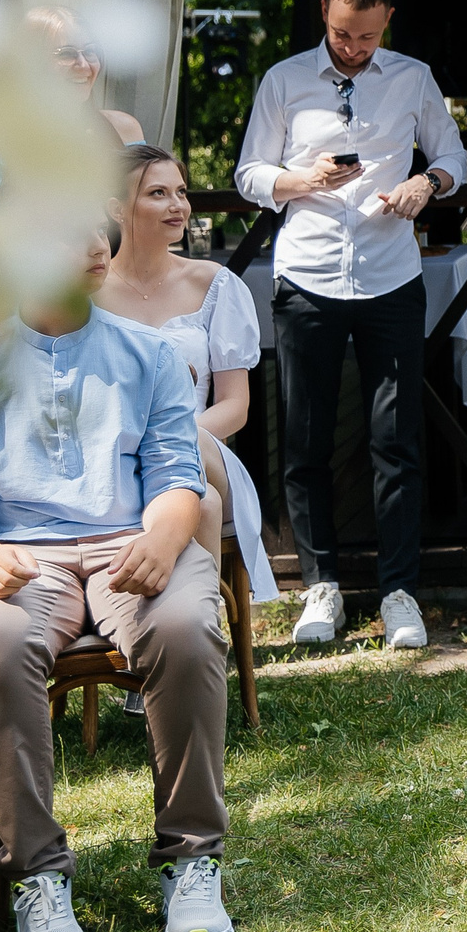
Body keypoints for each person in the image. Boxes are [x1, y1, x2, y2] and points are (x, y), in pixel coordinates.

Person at [0, 226, 231, 932]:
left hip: (135, 540)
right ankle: (37, 879)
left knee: (187, 626)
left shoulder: (153, 354)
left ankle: (192, 862)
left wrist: (163, 538)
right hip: (21, 558)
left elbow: (174, 472)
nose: (97, 244)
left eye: (100, 227)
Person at [234, 0, 467, 651]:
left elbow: (454, 153)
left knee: (396, 439)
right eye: (341, 34)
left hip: (391, 276)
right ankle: (321, 585)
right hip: (306, 278)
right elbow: (249, 172)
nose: (353, 48)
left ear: (386, 21)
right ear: (324, 16)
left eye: (366, 37)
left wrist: (427, 184)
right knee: (302, 439)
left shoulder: (413, 76)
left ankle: (399, 592)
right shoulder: (283, 80)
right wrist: (298, 179)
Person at [96, 143, 279, 605]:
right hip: (108, 456)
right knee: (203, 504)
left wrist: (167, 438)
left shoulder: (215, 285)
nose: (178, 206)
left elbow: (235, 408)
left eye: (180, 191)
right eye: (158, 193)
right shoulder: (89, 294)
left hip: (204, 448)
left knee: (190, 457)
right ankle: (193, 635)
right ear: (116, 208)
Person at [28, 5, 146, 147]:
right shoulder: (5, 138)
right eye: (66, 53)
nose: (83, 64)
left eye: (90, 51)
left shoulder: (124, 130)